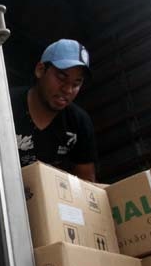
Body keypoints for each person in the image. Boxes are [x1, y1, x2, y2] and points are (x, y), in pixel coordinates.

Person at [11, 39, 97, 181]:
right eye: (61, 77)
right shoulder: (5, 105)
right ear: (40, 70)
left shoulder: (79, 123)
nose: (68, 90)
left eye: (76, 83)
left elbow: (87, 180)